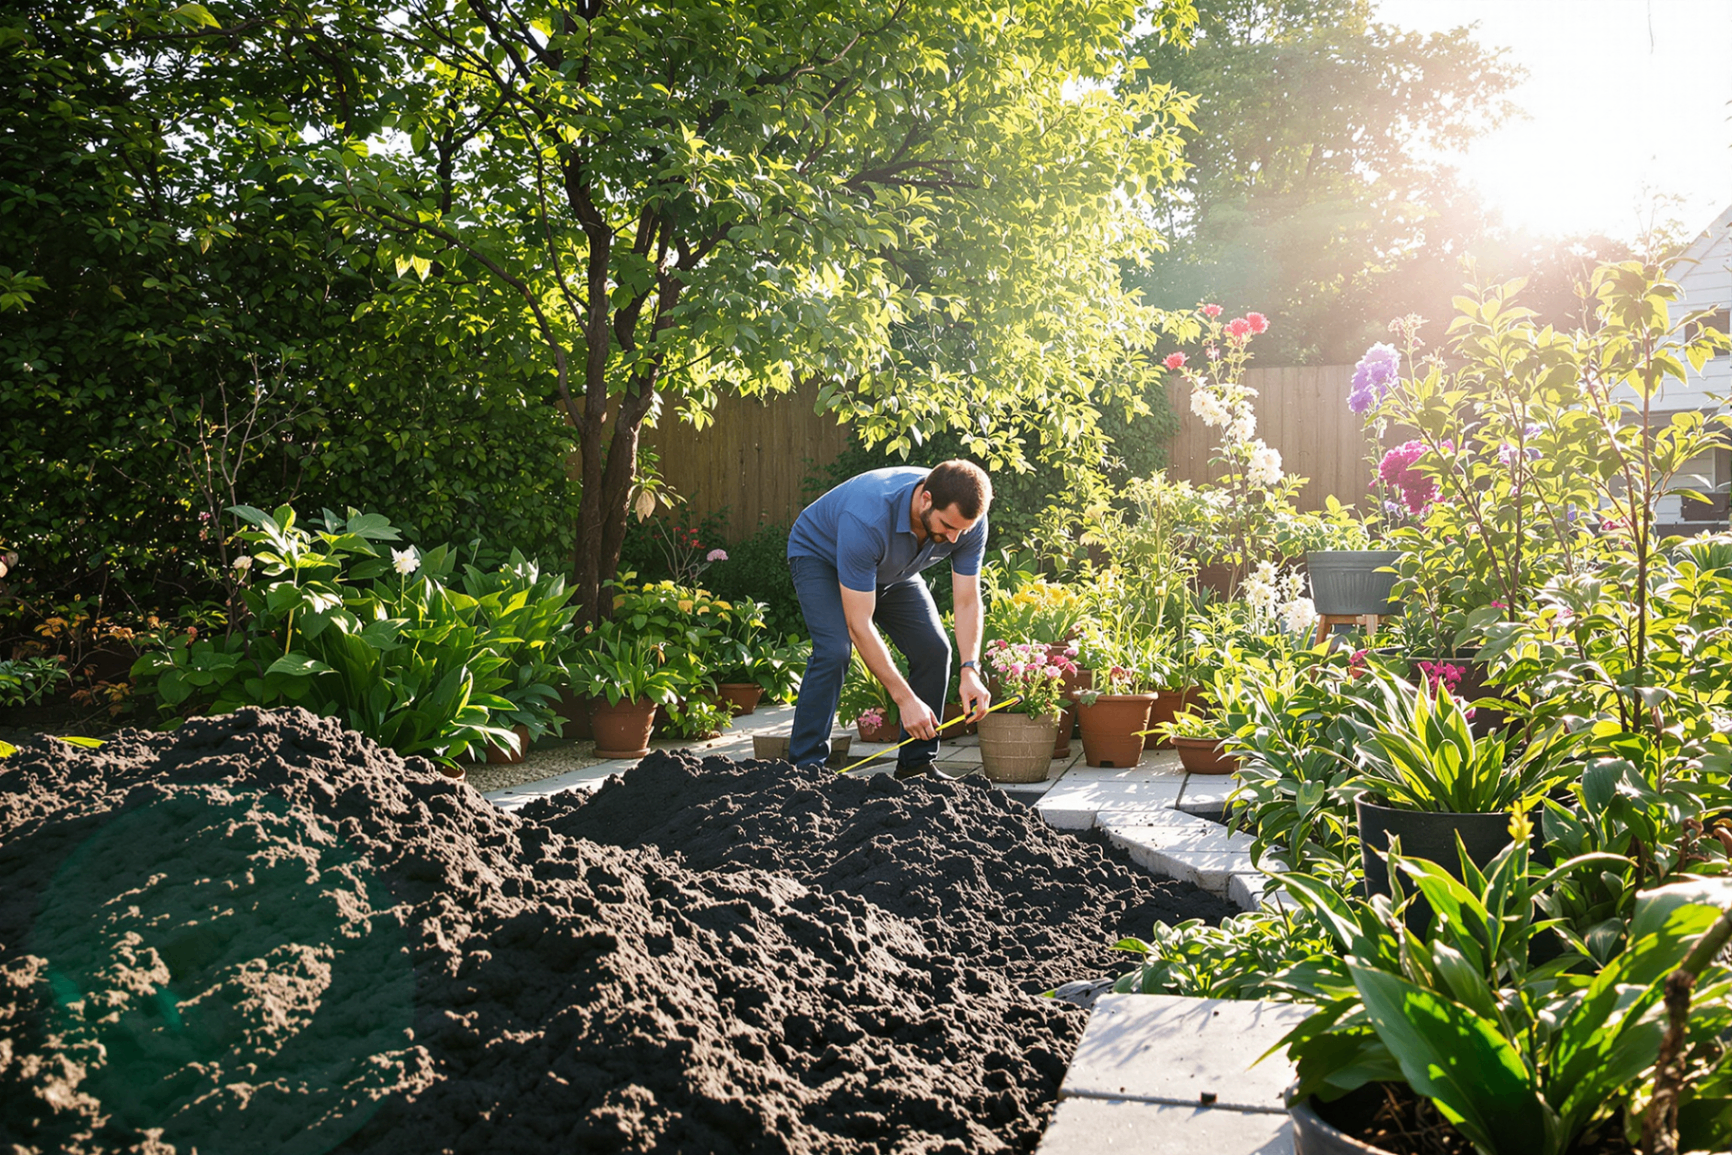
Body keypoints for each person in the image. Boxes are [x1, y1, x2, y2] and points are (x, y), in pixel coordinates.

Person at [785, 460, 993, 776]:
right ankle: (805, 768)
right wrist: (904, 699)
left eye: (961, 530)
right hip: (821, 556)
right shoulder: (868, 517)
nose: (954, 539)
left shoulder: (966, 523)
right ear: (926, 499)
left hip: (890, 568)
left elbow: (966, 601)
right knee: (834, 651)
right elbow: (859, 625)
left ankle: (917, 765)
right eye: (948, 526)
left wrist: (970, 670)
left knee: (934, 651)